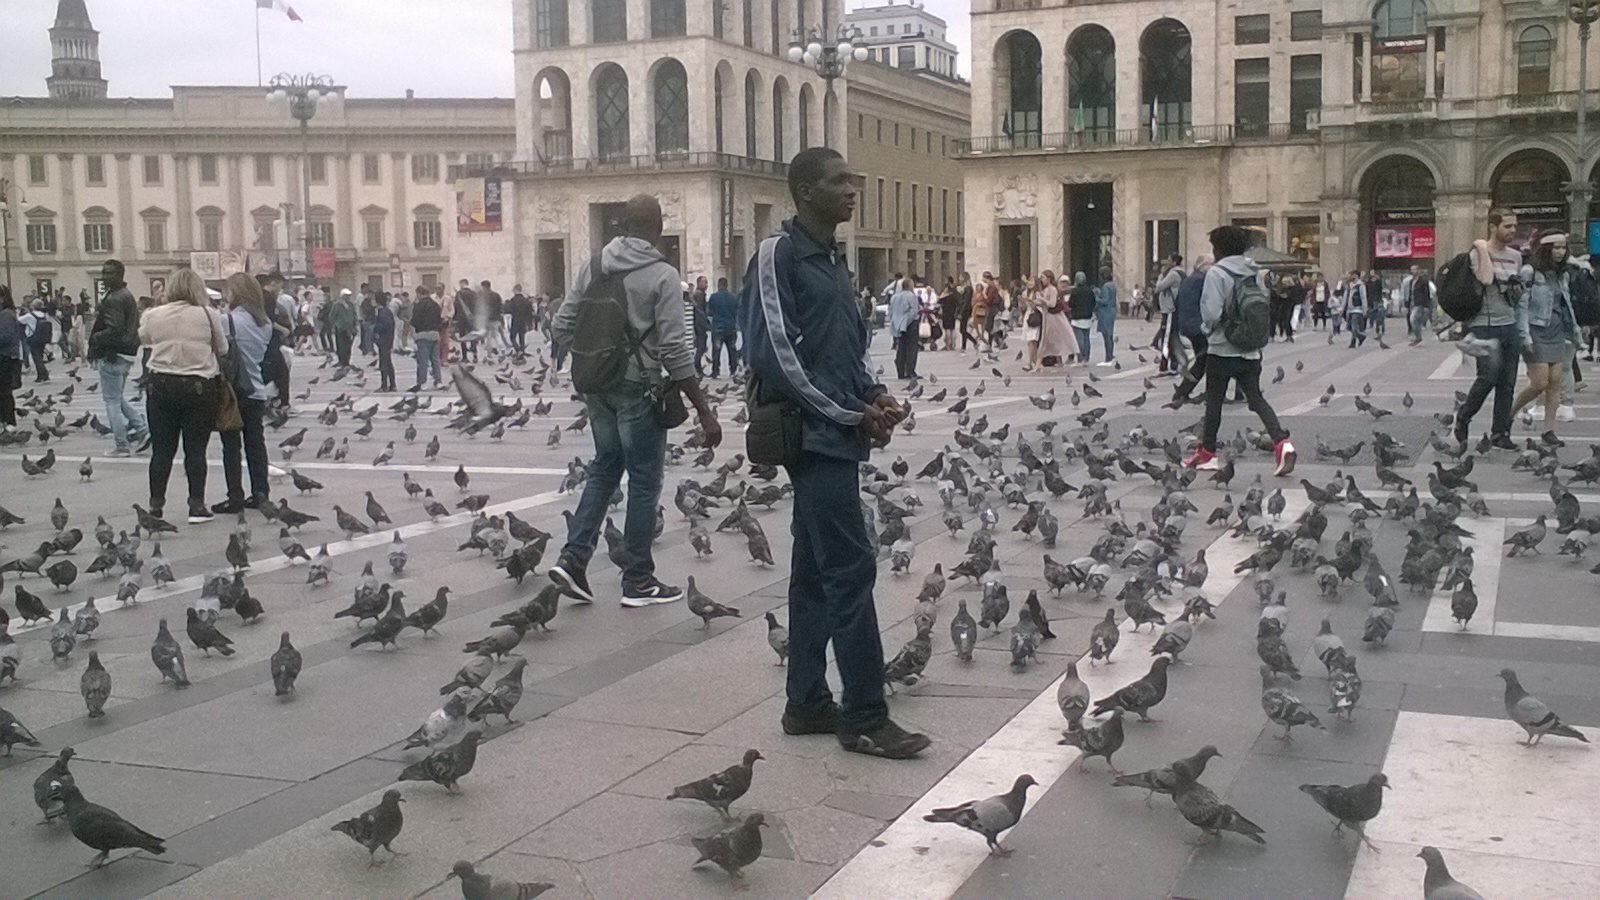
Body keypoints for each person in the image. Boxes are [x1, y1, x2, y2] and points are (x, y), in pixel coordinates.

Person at [742, 146, 928, 760]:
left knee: (814, 574)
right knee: (851, 570)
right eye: (837, 182)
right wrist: (852, 412)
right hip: (811, 437)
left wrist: (874, 393)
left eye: (852, 180)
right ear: (803, 192)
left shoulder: (831, 261)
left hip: (836, 434)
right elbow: (774, 355)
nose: (852, 190)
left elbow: (841, 351)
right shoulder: (779, 254)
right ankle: (866, 715)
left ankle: (807, 703)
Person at [547, 194, 720, 609]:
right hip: (637, 388)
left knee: (605, 468)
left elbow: (560, 325)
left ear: (621, 225)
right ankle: (638, 580)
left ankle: (573, 559)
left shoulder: (593, 264)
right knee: (644, 481)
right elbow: (677, 352)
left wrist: (595, 357)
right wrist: (703, 410)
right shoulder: (662, 275)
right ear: (658, 229)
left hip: (596, 388)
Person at [1184, 226, 1296, 475]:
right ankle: (1282, 443)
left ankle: (1208, 454)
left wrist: (1206, 328)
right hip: (1250, 350)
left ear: (1220, 248)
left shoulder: (1217, 273)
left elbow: (1211, 313)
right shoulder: (1256, 271)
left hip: (1222, 349)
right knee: (1256, 399)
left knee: (1214, 402)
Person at [140, 268, 226, 524]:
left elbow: (143, 338)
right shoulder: (208, 314)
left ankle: (156, 505)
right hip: (198, 388)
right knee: (196, 451)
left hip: (160, 386)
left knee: (162, 451)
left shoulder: (154, 314)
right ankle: (196, 506)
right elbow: (222, 347)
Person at [1455, 208, 1527, 451]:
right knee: (1487, 378)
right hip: (1483, 326)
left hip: (1509, 324)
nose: (1513, 231)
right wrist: (1482, 247)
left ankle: (1500, 433)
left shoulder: (1516, 257)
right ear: (1493, 227)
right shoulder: (1478, 253)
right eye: (1507, 226)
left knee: (1507, 384)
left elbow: (1517, 297)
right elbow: (1485, 279)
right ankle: (1464, 416)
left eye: (1514, 226)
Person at [1510, 230, 1579, 446]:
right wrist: (1525, 336)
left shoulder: (1562, 274)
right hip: (1536, 331)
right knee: (1539, 383)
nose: (1561, 252)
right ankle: (1508, 416)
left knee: (1555, 383)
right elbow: (1521, 306)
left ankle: (1549, 431)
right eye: (1556, 247)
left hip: (1557, 331)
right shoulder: (1530, 272)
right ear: (1546, 249)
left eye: (1563, 247)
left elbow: (1565, 304)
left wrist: (1575, 330)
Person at [214, 273, 274, 514]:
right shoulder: (266, 324)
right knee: (256, 444)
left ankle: (235, 496)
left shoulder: (227, 321)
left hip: (234, 390)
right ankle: (260, 493)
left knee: (231, 445)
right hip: (256, 390)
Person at [87, 259, 148, 457]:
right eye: (103, 272)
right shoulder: (126, 295)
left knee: (111, 400)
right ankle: (141, 430)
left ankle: (121, 445)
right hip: (125, 353)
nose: (104, 277)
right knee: (117, 397)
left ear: (120, 275)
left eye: (109, 273)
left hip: (112, 353)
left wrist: (94, 337)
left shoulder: (114, 298)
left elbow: (114, 330)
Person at [1039, 271, 1076, 367]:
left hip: (1053, 317)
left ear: (1048, 278)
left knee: (1055, 338)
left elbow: (1052, 304)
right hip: (1047, 316)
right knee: (1050, 339)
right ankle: (1049, 359)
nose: (1041, 280)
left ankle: (1057, 360)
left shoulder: (1052, 289)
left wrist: (1042, 300)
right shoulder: (1046, 289)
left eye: (1043, 277)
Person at [1154, 255, 1184, 373]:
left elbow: (1159, 288)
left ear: (1174, 261)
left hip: (1170, 310)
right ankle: (1174, 362)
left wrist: (1161, 275)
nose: (1168, 262)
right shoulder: (1182, 273)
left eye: (1170, 260)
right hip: (1176, 309)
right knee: (1174, 336)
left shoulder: (1172, 274)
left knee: (1166, 337)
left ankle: (1165, 363)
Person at [411, 286, 445, 389]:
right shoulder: (436, 305)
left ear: (419, 293)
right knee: (435, 359)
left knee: (423, 360)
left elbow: (415, 321)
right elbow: (440, 320)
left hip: (422, 335)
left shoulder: (419, 306)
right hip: (434, 334)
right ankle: (438, 381)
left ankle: (422, 382)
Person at [889, 277, 921, 380]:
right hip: (910, 324)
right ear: (910, 286)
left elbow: (891, 311)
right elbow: (914, 311)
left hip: (898, 325)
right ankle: (910, 371)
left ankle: (900, 371)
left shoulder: (894, 297)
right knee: (911, 348)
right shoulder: (912, 297)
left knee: (901, 348)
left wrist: (896, 323)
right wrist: (906, 322)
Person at [708, 276, 740, 378]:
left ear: (718, 285)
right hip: (730, 326)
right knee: (732, 349)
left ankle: (716, 371)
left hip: (717, 326)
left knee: (716, 350)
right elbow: (736, 311)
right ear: (727, 285)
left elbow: (710, 311)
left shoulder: (713, 297)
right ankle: (733, 370)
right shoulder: (734, 297)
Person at [0, 287, 20, 426]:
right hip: (5, 356)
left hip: (5, 357)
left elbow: (7, 336)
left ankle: (9, 420)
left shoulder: (6, 315)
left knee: (4, 390)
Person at [1402, 265, 1434, 346]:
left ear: (1419, 270)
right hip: (1412, 303)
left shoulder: (1423, 281)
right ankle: (1418, 337)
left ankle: (1417, 336)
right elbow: (1409, 293)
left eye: (1415, 269)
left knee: (1412, 319)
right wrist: (1407, 304)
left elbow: (1427, 293)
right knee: (1416, 321)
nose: (1413, 271)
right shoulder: (1411, 281)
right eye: (1412, 269)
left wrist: (1427, 305)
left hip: (1419, 303)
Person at [1067, 271, 1096, 362]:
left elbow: (1071, 304)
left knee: (1079, 338)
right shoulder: (1089, 291)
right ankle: (1086, 357)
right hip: (1087, 317)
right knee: (1086, 338)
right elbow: (1093, 303)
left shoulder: (1075, 291)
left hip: (1077, 318)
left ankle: (1080, 357)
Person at [373, 291, 397, 392]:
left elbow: (385, 326)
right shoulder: (386, 311)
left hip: (384, 340)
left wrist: (376, 329)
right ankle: (392, 384)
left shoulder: (383, 313)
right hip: (387, 340)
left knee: (384, 363)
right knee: (388, 362)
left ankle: (384, 385)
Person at [1094, 267, 1118, 364]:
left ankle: (1108, 356)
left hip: (1105, 312)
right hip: (1112, 311)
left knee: (1106, 335)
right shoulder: (1112, 285)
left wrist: (1096, 297)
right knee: (1110, 334)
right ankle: (1110, 354)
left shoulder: (1106, 286)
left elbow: (1104, 300)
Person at [329, 288, 358, 367]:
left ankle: (347, 361)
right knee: (340, 345)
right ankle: (341, 361)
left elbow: (354, 315)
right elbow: (332, 316)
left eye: (349, 295)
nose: (348, 297)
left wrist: (355, 325)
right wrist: (334, 326)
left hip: (349, 329)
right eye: (347, 295)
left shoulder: (351, 305)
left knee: (348, 345)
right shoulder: (337, 305)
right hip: (340, 328)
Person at [1344, 271, 1368, 347]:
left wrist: (1364, 310)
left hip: (1357, 309)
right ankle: (1357, 338)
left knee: (1354, 327)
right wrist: (1343, 307)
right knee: (1349, 327)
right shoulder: (1349, 285)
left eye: (1352, 275)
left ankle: (1356, 339)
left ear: (1356, 276)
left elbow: (1363, 298)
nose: (1351, 276)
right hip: (1349, 309)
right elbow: (1346, 297)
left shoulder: (1360, 285)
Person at [507, 284, 534, 355]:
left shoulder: (513, 300)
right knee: (522, 337)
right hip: (523, 321)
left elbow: (509, 310)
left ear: (515, 290)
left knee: (512, 337)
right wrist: (530, 323)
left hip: (515, 320)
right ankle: (522, 350)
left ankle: (518, 350)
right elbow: (530, 312)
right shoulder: (525, 300)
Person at [955, 272, 976, 352]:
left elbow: (966, 301)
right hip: (964, 310)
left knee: (962, 329)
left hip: (965, 310)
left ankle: (974, 341)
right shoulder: (965, 288)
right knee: (963, 329)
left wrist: (961, 313)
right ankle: (964, 346)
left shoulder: (968, 288)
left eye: (960, 277)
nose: (959, 278)